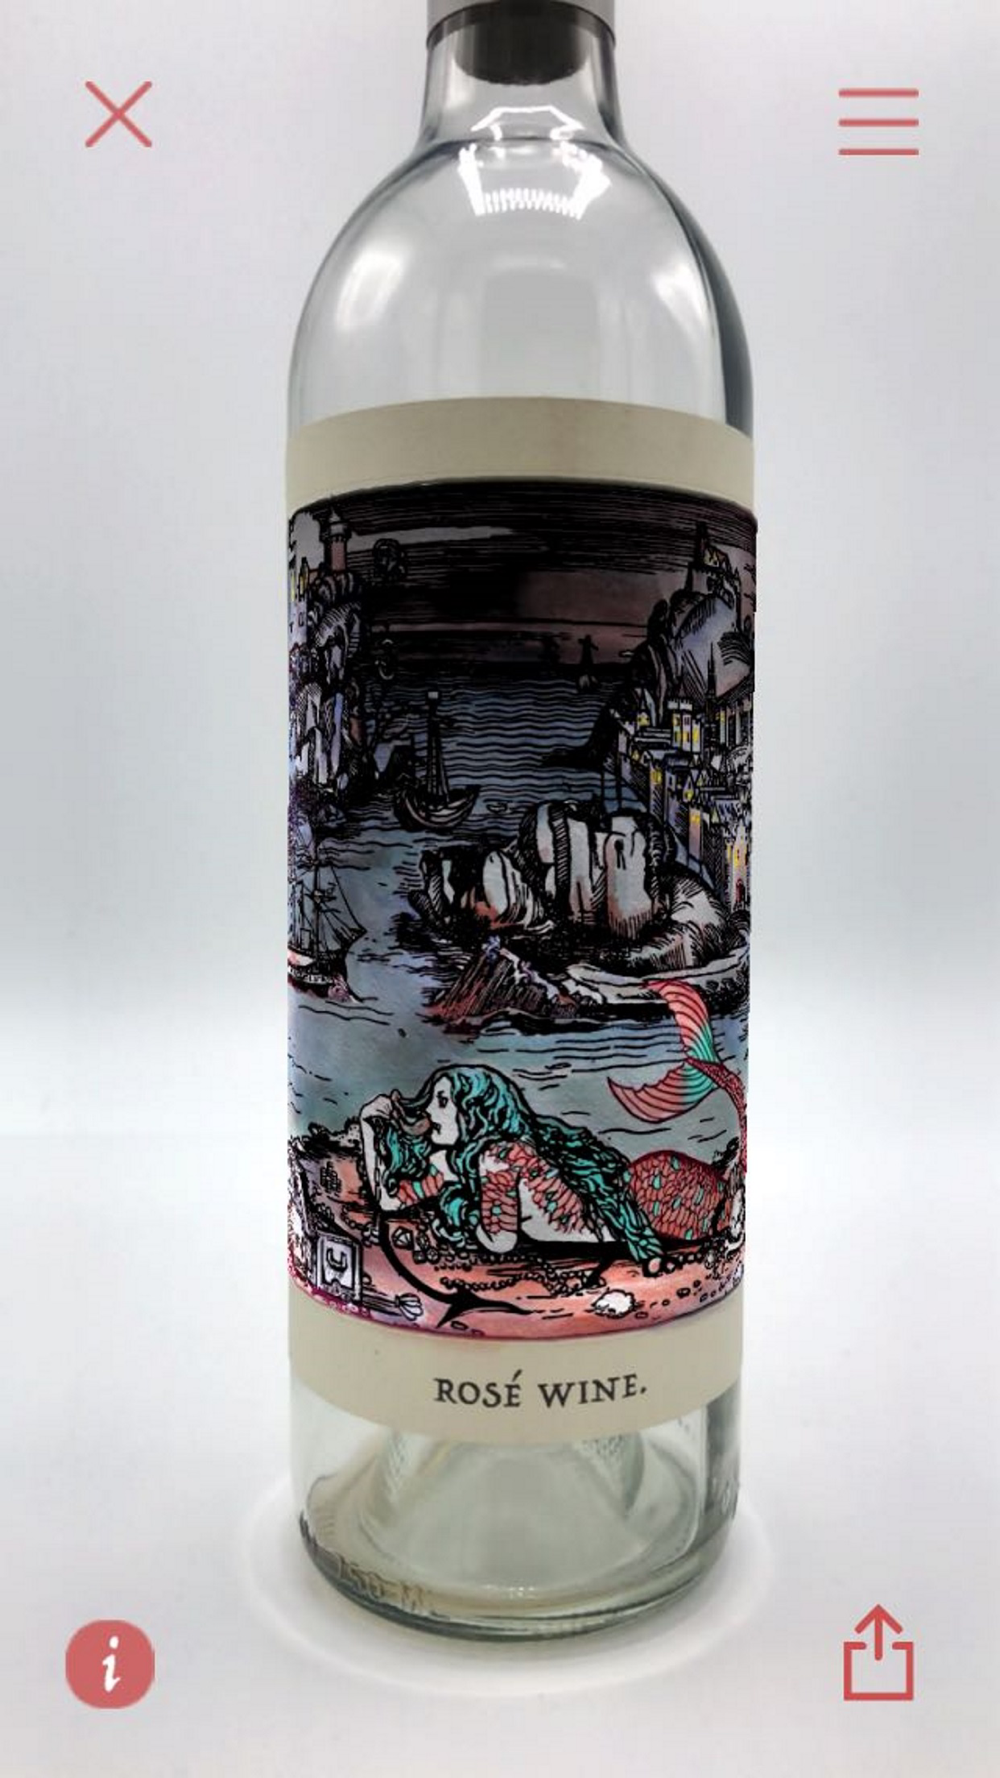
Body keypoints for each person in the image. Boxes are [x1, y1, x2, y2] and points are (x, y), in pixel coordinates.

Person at [358, 1066, 666, 1274]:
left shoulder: (498, 1158)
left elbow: (499, 1241)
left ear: (474, 1113)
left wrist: (462, 1210)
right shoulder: (459, 1161)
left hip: (642, 1215)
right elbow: (389, 1201)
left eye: (442, 1102)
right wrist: (368, 1127)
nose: (429, 1111)